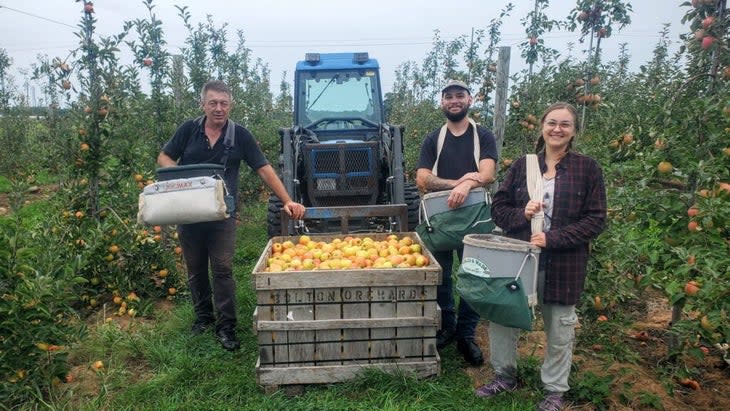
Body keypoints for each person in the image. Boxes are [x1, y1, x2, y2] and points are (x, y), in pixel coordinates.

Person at [476, 102, 606, 411]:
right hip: (519, 259)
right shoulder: (524, 165)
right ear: (542, 127)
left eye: (565, 124)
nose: (557, 129)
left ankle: (554, 391)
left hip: (564, 262)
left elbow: (595, 219)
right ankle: (505, 376)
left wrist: (553, 238)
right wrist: (522, 213)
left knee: (559, 326)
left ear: (574, 131)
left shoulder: (587, 168)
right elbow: (498, 208)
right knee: (503, 317)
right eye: (552, 123)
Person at [158, 80, 305, 351]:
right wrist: (180, 178)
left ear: (230, 105)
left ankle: (226, 327)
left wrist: (287, 200)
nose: (218, 108)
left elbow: (263, 168)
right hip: (189, 212)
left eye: (223, 103)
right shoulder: (188, 130)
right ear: (202, 104)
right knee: (195, 268)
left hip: (223, 214)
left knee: (223, 268)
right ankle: (203, 318)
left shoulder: (240, 135)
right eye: (213, 102)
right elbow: (165, 157)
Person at [415, 79, 498, 366]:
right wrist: (460, 184)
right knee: (440, 275)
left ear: (469, 100)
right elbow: (422, 179)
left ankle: (466, 334)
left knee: (474, 275)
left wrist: (469, 184)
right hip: (441, 218)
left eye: (459, 96)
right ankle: (446, 326)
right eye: (448, 96)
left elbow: (487, 173)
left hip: (474, 218)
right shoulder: (433, 139)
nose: (454, 100)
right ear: (442, 103)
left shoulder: (482, 136)